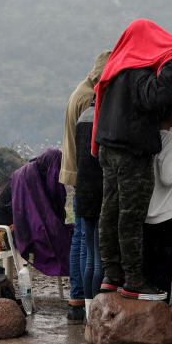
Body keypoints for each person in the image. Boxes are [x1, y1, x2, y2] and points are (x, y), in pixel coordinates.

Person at [95, 56, 172, 300]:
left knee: (110, 211)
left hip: (108, 146)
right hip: (132, 151)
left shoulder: (115, 69)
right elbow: (157, 98)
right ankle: (134, 279)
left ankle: (112, 274)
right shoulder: (139, 71)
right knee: (131, 216)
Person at [60, 50, 111, 322]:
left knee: (82, 237)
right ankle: (79, 298)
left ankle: (78, 299)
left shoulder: (81, 90)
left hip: (78, 174)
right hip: (85, 175)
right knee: (85, 239)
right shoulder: (87, 97)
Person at [142, 94, 172, 304]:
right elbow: (169, 176)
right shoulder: (169, 139)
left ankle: (146, 321)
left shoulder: (145, 137)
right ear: (171, 113)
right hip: (170, 217)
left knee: (150, 276)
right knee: (165, 276)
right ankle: (160, 324)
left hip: (149, 217)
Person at [74, 97, 104, 317]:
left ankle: (87, 310)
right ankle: (97, 311)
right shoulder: (102, 118)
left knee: (90, 256)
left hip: (82, 190)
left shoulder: (82, 117)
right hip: (100, 190)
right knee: (99, 256)